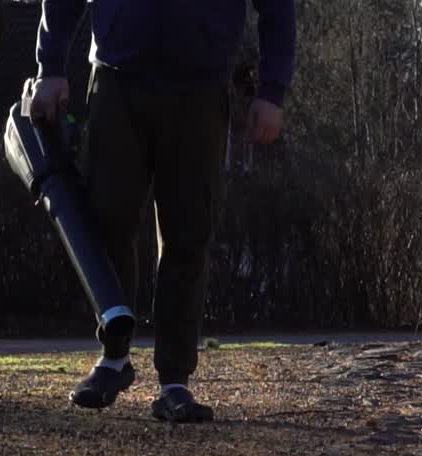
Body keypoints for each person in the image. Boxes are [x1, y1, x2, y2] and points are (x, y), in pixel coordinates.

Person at [28, 0, 296, 423]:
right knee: (105, 220)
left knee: (187, 233)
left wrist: (272, 92)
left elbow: (277, 8)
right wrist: (50, 67)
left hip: (200, 87)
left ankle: (175, 381)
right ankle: (113, 358)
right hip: (116, 78)